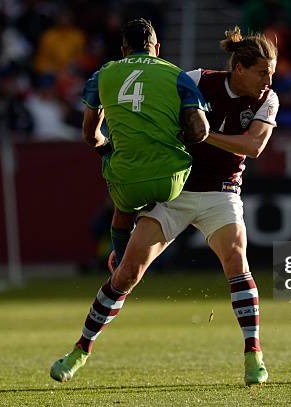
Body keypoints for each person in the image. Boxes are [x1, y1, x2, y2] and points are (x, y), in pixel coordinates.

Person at [50, 26, 278, 386]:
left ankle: (254, 356)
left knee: (237, 259)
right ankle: (79, 351)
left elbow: (253, 146)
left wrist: (204, 135)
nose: (269, 80)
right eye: (263, 71)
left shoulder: (268, 99)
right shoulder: (195, 79)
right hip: (175, 189)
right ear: (239, 68)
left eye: (271, 72)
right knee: (125, 274)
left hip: (221, 192)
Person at [50, 18, 209, 381]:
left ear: (123, 50)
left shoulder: (104, 74)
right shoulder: (177, 75)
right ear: (157, 48)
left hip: (128, 184)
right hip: (173, 181)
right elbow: (200, 131)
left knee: (121, 194)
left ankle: (119, 261)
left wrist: (107, 146)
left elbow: (90, 136)